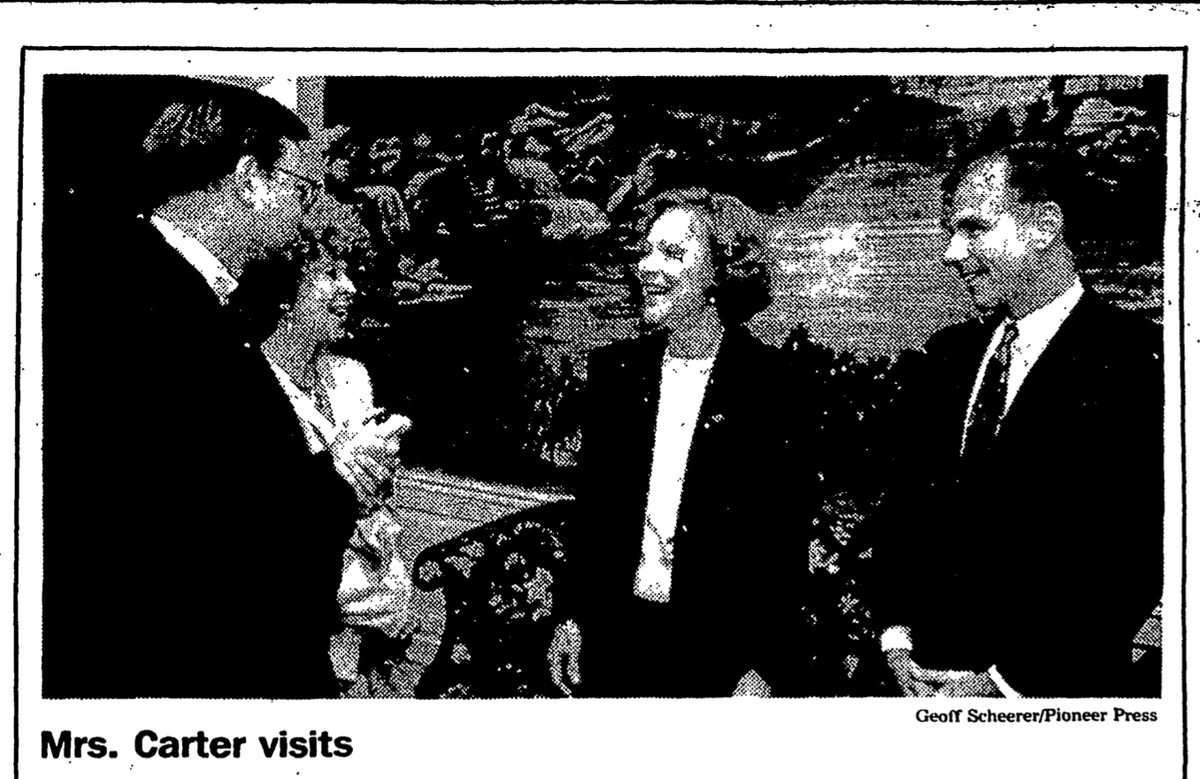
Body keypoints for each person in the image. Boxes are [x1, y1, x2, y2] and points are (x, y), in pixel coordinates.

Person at [42, 79, 357, 698]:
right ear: (251, 180)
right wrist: (339, 477)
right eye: (303, 187)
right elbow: (208, 511)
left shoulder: (145, 280)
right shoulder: (144, 304)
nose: (311, 213)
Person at [872, 142, 1164, 698]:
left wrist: (1002, 684)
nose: (953, 252)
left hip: (1046, 696)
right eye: (951, 231)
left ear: (1043, 226)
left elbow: (1129, 554)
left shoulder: (1137, 362)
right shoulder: (948, 356)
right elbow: (904, 509)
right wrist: (897, 642)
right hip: (915, 682)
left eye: (974, 228)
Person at [547, 191, 824, 698]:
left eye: (672, 253)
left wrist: (763, 662)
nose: (647, 267)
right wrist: (571, 615)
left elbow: (783, 537)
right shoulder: (614, 375)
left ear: (721, 271)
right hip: (615, 639)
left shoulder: (775, 386)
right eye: (646, 250)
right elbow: (592, 511)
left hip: (720, 652)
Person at [231, 222, 413, 687]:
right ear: (285, 292)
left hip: (368, 599)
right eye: (330, 273)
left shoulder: (351, 377)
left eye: (350, 274)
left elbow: (376, 502)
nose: (349, 289)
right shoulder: (248, 384)